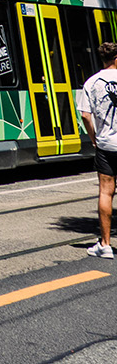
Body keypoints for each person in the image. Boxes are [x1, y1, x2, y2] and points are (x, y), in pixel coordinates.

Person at [78, 40, 117, 258]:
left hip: (106, 145)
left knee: (106, 191)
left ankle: (105, 245)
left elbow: (85, 115)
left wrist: (94, 138)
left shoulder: (91, 82)